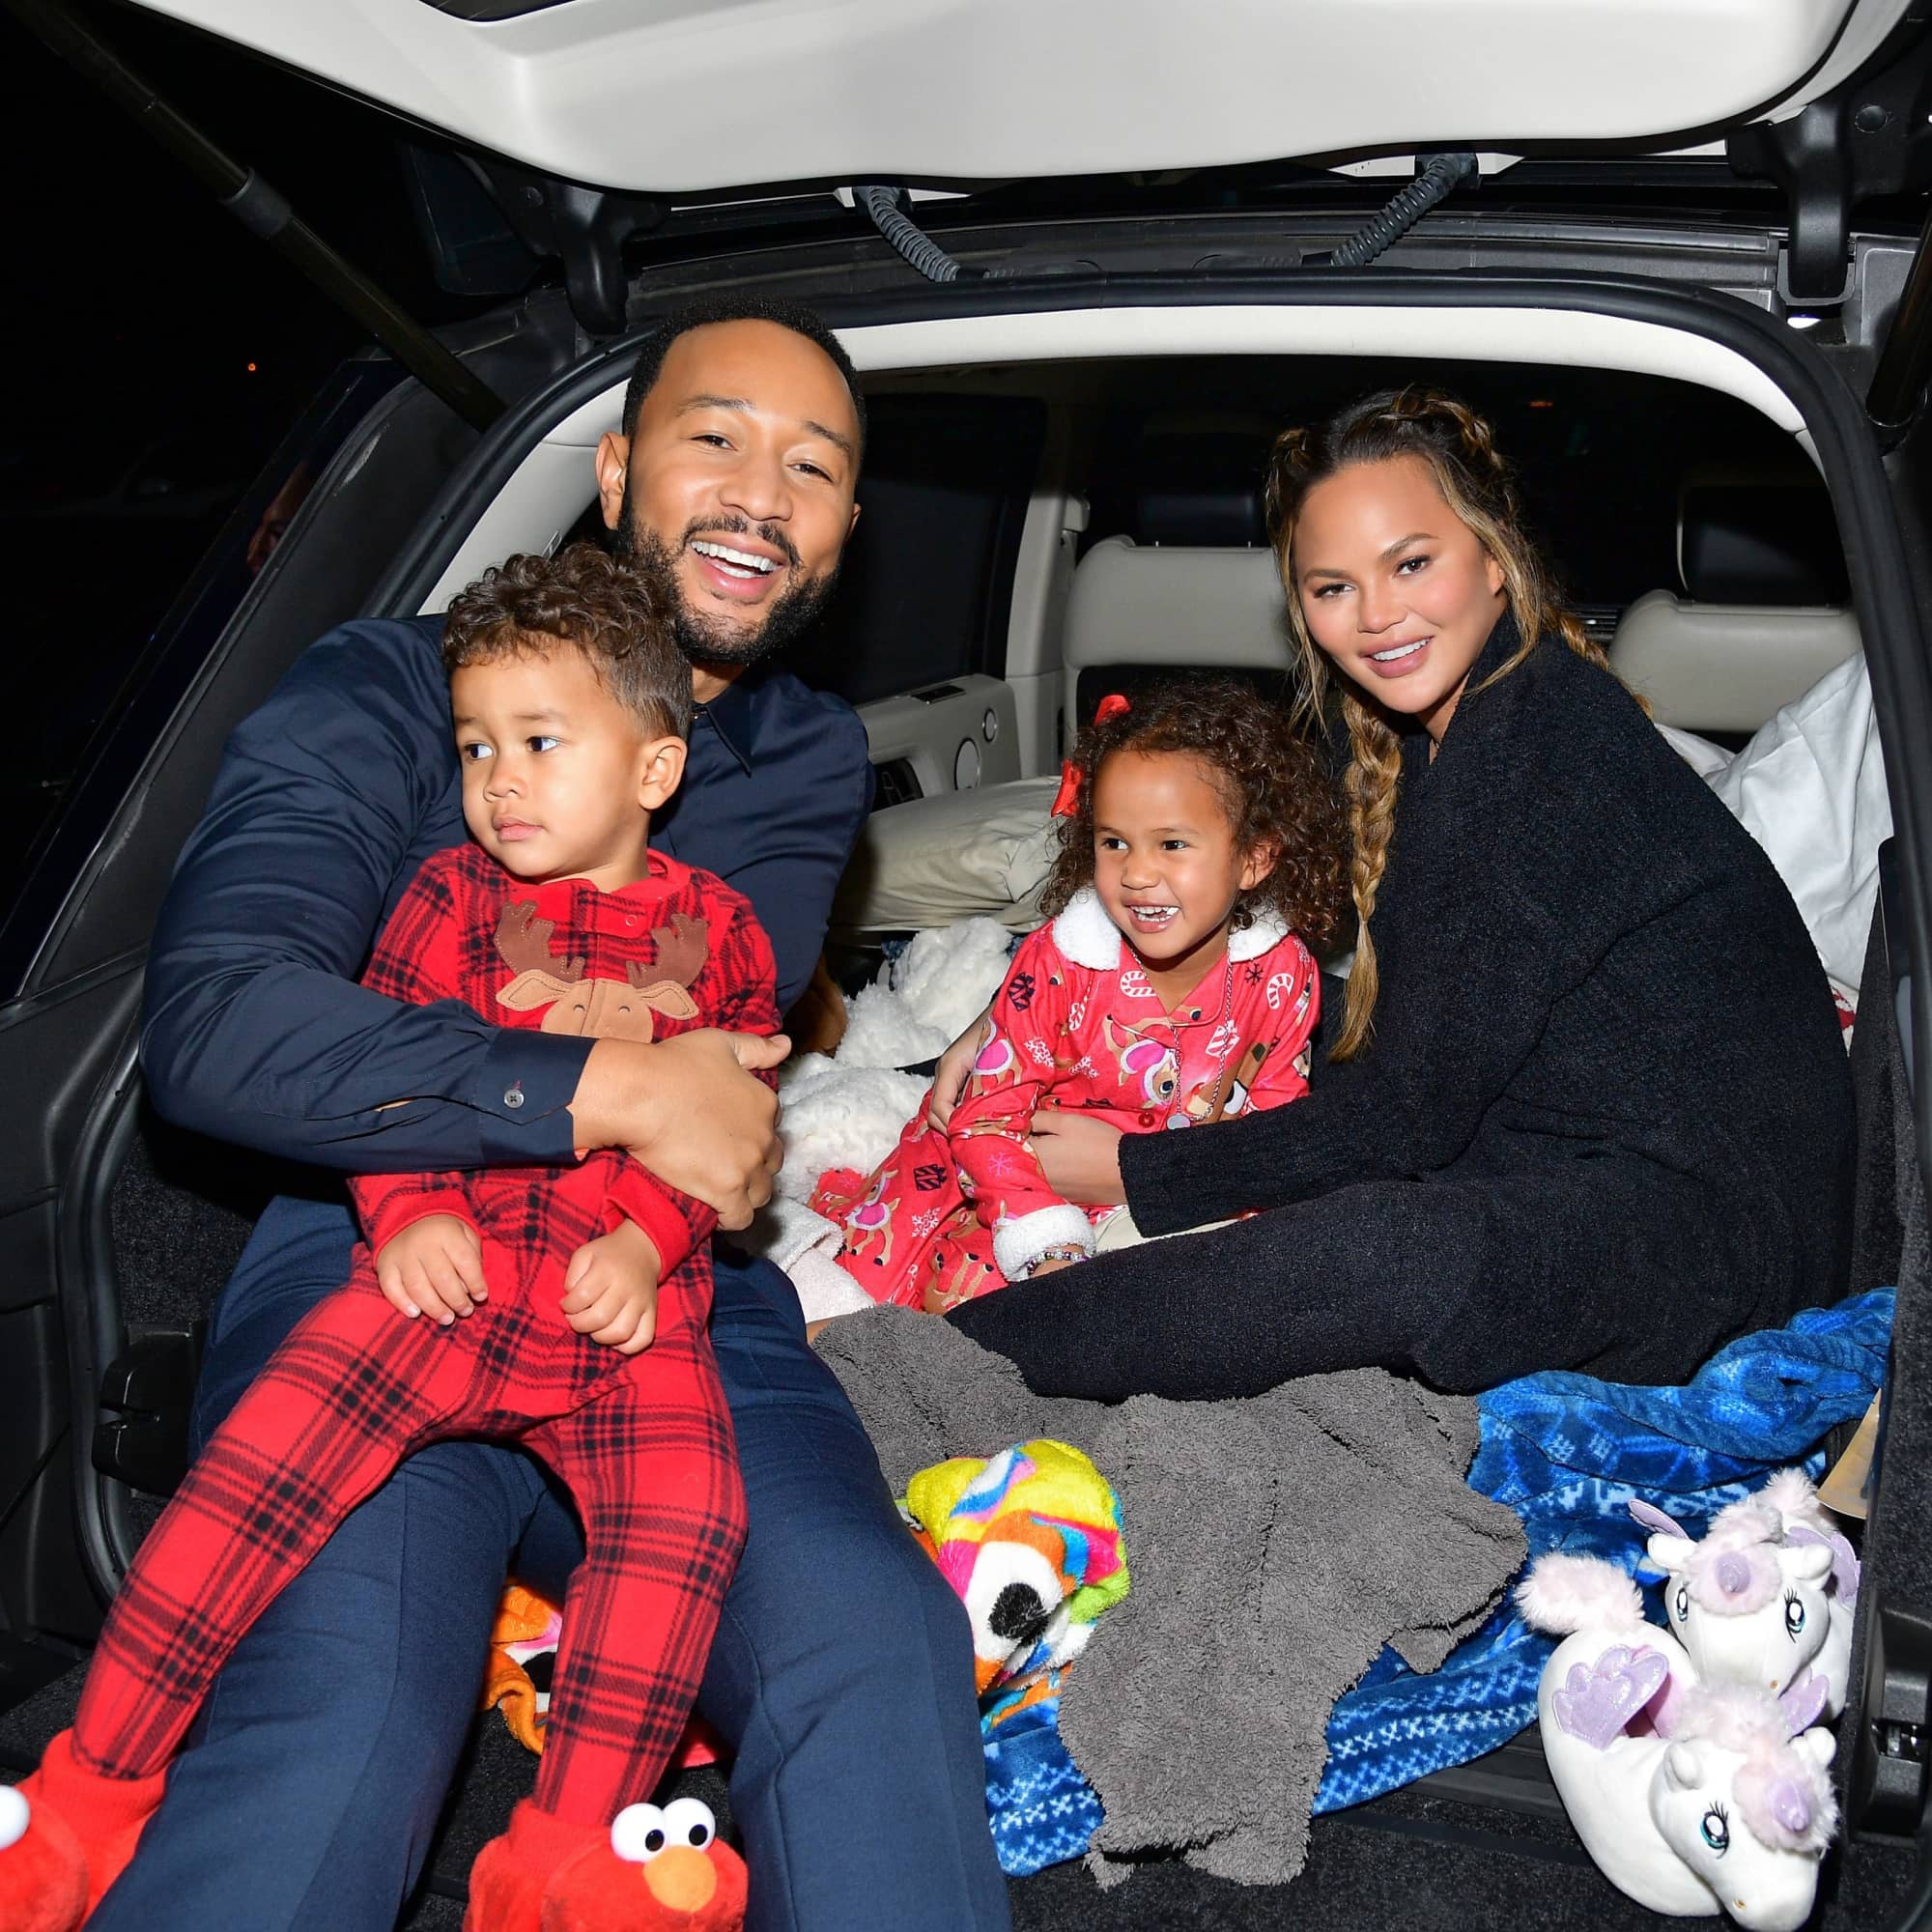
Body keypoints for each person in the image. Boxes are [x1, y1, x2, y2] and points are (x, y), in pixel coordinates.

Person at [101, 298, 1011, 1932]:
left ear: (846, 530)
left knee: (876, 1647)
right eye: (715, 438)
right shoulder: (388, 689)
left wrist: (649, 1103)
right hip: (391, 1251)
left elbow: (723, 1087)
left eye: (812, 468)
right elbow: (222, 1023)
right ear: (613, 470)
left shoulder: (804, 753)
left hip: (668, 1292)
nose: (760, 494)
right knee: (346, 1710)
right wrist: (599, 1085)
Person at [8, 546, 779, 1932]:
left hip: (619, 1308)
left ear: (655, 768)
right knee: (245, 1483)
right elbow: (389, 1073)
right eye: (477, 745)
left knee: (686, 1519)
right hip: (447, 1274)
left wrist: (649, 1244)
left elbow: (730, 1120)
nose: (500, 780)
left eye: (540, 742)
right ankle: (85, 1795)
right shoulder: (442, 899)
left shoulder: (722, 931)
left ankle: (569, 1852)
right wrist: (408, 1208)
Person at [938, 387, 1856, 1402]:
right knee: (1284, 1032)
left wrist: (1135, 1172)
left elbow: (1412, 1113)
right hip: (1571, 1133)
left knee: (1388, 1251)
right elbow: (1284, 948)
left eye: (1410, 563)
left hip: (1711, 1240)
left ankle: (927, 1364)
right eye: (1333, 586)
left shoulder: (1540, 756)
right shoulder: (1433, 724)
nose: (1376, 616)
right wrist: (1018, 1012)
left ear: (1494, 557)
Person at [812, 679, 1346, 1311]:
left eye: (1172, 844)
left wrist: (1233, 1214)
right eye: (1114, 842)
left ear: (1254, 859)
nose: (1137, 873)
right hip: (1010, 1170)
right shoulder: (1060, 964)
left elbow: (1275, 1126)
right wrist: (1046, 1241)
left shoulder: (1283, 974)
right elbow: (985, 1120)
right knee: (894, 1292)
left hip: (1161, 1184)